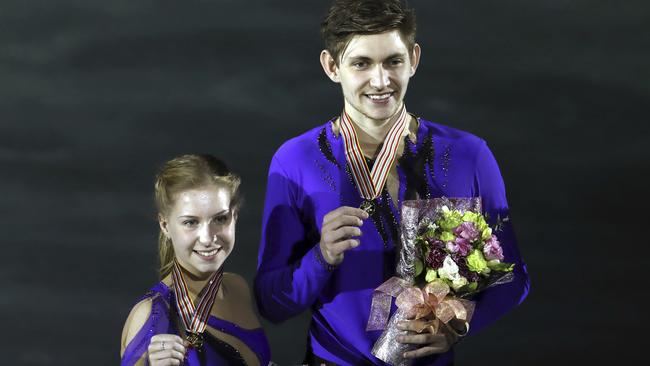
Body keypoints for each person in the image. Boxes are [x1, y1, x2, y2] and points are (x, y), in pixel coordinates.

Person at [254, 0, 530, 365]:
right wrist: (321, 257)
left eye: (393, 61)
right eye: (361, 63)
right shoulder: (295, 161)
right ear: (332, 66)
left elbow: (513, 276)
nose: (381, 81)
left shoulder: (470, 155)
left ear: (413, 59)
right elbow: (272, 304)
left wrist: (460, 323)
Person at [121, 154, 270, 366]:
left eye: (220, 219)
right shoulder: (151, 315)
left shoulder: (237, 287)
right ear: (165, 225)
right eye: (191, 222)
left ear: (234, 216)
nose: (208, 238)